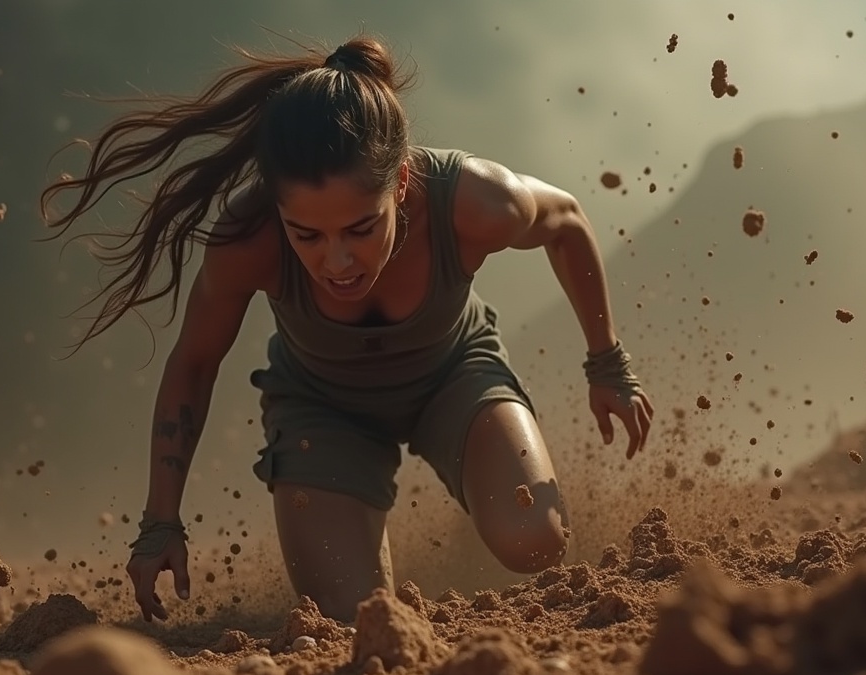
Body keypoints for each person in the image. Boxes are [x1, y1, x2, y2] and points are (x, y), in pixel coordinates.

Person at [40, 34, 654, 623]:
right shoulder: (246, 238)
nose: (336, 262)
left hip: (455, 374)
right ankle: (354, 524)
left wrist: (608, 365)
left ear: (403, 184)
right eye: (306, 234)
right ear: (278, 210)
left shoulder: (475, 201)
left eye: (361, 228)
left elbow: (568, 221)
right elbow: (194, 363)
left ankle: (479, 524)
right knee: (351, 618)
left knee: (537, 543)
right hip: (321, 408)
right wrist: (160, 522)